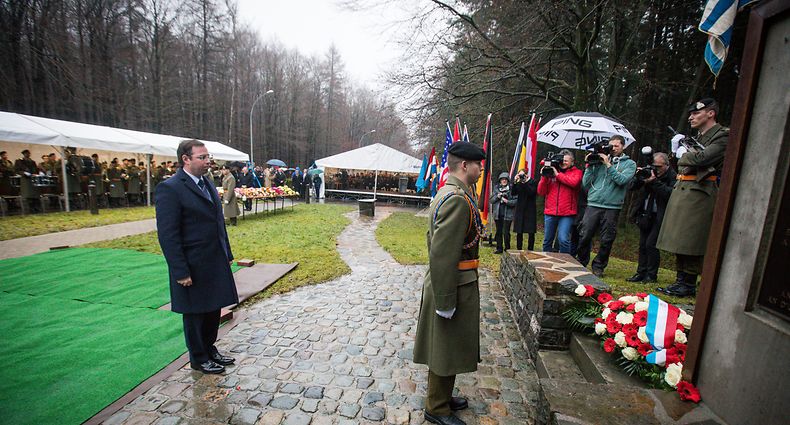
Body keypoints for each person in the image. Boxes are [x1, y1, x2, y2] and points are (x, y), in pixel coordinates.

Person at [413, 141, 486, 425]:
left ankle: (442, 396)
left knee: (448, 345)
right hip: (453, 283)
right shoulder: (457, 199)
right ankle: (437, 407)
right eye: (478, 164)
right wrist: (445, 300)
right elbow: (442, 254)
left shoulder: (451, 192)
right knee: (444, 346)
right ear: (465, 166)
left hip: (454, 281)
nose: (481, 169)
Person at [155, 139, 239, 374]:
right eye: (202, 157)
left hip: (213, 258)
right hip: (192, 263)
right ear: (186, 159)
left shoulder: (207, 183)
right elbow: (168, 235)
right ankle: (198, 357)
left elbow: (218, 223)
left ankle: (210, 349)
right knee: (195, 313)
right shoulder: (171, 188)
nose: (207, 161)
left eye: (207, 156)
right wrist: (180, 270)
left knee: (213, 308)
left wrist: (227, 253)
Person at [657, 98, 729, 297]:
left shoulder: (722, 136)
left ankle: (688, 283)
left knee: (692, 239)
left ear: (711, 113)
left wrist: (683, 154)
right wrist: (675, 152)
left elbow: (703, 159)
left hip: (701, 192)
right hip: (684, 188)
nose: (691, 117)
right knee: (681, 239)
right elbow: (681, 166)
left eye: (696, 113)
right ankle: (681, 280)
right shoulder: (699, 137)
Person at [576, 136, 636, 277]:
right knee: (585, 234)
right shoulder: (598, 162)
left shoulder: (630, 164)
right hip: (593, 203)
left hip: (612, 206)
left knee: (607, 239)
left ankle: (598, 266)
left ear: (623, 147)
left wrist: (608, 165)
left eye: (616, 146)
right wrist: (590, 165)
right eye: (611, 146)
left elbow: (622, 180)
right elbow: (585, 183)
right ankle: (581, 261)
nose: (613, 148)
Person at [626, 152, 676, 283]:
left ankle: (651, 275)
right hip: (645, 214)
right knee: (642, 244)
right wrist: (639, 178)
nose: (656, 169)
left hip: (661, 215)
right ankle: (640, 273)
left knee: (651, 244)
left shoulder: (672, 176)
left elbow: (670, 194)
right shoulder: (648, 172)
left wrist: (655, 182)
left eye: (659, 167)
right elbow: (631, 187)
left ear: (667, 165)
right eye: (654, 166)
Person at [537, 150, 583, 253]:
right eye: (562, 160)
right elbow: (541, 191)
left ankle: (564, 262)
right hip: (550, 211)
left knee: (563, 239)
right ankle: (546, 262)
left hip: (567, 213)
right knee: (547, 240)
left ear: (572, 162)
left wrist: (557, 175)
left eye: (566, 160)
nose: (563, 162)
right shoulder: (551, 172)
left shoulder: (577, 172)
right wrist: (544, 176)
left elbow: (574, 183)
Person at [511, 168, 538, 251]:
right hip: (520, 208)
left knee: (531, 231)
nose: (521, 177)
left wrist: (525, 182)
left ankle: (530, 249)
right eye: (520, 175)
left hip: (530, 209)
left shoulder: (533, 182)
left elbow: (531, 192)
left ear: (527, 175)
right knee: (519, 230)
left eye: (523, 175)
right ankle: (519, 249)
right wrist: (515, 182)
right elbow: (513, 193)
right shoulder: (519, 183)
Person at [491, 172, 517, 254]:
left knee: (506, 232)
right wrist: (497, 196)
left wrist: (507, 201)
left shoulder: (512, 189)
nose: (504, 181)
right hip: (497, 214)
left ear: (508, 180)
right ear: (500, 181)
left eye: (505, 179)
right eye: (502, 179)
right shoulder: (496, 189)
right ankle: (499, 248)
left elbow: (515, 201)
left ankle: (507, 248)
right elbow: (491, 200)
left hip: (508, 215)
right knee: (498, 232)